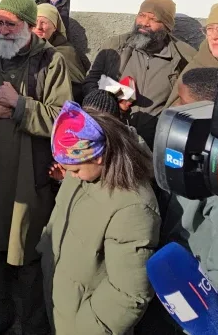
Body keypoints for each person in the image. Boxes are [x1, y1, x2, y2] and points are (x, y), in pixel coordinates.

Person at [0, 0, 73, 335]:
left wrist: (20, 105)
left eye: (11, 24)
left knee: (29, 250)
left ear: (30, 26)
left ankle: (33, 324)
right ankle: (0, 312)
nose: (4, 30)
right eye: (0, 23)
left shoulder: (51, 62)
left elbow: (64, 120)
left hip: (30, 173)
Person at [38, 101, 160, 335]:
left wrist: (83, 327)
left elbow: (128, 293)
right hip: (64, 304)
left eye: (75, 170)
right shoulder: (83, 173)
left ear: (98, 157)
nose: (71, 176)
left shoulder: (132, 207)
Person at [156, 67, 218, 335]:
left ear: (206, 111)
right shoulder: (195, 151)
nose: (175, 108)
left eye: (183, 102)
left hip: (206, 311)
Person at [82, 0, 196, 148]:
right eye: (142, 15)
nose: (145, 23)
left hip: (157, 144)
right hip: (115, 137)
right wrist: (113, 99)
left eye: (154, 19)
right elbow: (91, 82)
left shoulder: (183, 57)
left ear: (167, 26)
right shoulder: (115, 45)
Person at [34, 3, 88, 101]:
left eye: (44, 23)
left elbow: (76, 89)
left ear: (55, 27)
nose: (38, 27)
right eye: (35, 22)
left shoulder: (65, 52)